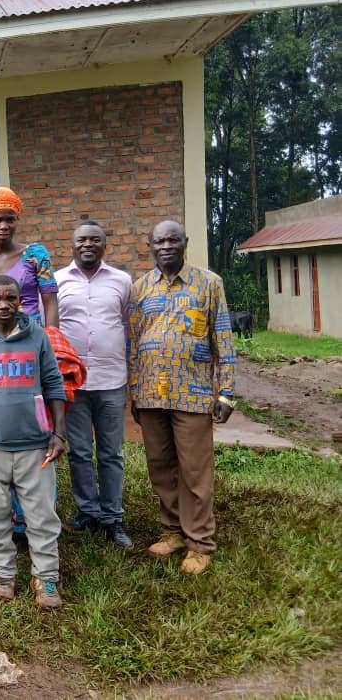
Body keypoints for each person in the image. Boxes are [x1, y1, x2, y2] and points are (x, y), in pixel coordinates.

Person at [128, 220, 235, 575]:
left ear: (185, 242)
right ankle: (172, 531)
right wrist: (134, 390)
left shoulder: (209, 284)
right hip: (151, 394)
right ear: (149, 245)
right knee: (161, 467)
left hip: (194, 392)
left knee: (195, 471)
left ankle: (200, 542)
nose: (166, 246)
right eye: (159, 241)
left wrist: (226, 392)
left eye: (173, 240)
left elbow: (224, 340)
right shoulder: (140, 288)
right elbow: (133, 342)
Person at [0, 275, 68, 608]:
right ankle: (3, 574)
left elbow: (54, 384)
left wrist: (58, 433)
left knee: (42, 515)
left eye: (11, 298)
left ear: (21, 301)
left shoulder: (38, 336)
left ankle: (46, 577)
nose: (4, 305)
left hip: (35, 444)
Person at [55, 221, 134, 548]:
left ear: (104, 245)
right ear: (72, 245)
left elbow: (126, 323)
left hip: (111, 380)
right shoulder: (58, 281)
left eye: (95, 240)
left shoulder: (122, 281)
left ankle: (113, 517)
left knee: (111, 452)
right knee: (80, 452)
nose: (88, 244)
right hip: (73, 382)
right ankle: (87, 511)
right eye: (82, 240)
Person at [0, 188, 58, 330]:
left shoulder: (35, 256)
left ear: (17, 220)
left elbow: (51, 303)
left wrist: (52, 338)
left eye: (10, 219)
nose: (4, 226)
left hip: (31, 336)